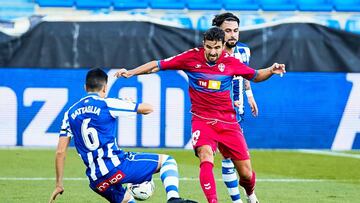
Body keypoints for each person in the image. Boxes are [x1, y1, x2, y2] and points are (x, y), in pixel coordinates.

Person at [114, 27, 286, 203]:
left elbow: (255, 76)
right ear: (204, 44)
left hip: (228, 122)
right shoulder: (191, 57)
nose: (213, 52)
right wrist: (131, 72)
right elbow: (157, 65)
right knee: (205, 156)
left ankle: (250, 194)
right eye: (209, 47)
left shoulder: (231, 62)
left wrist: (271, 70)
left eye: (217, 47)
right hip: (202, 120)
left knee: (246, 175)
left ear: (223, 45)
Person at [49, 68, 197, 203]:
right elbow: (148, 109)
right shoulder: (108, 104)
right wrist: (128, 103)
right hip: (117, 166)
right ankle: (173, 199)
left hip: (97, 180)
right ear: (105, 88)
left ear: (85, 87)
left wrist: (58, 185)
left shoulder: (69, 113)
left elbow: (60, 152)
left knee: (126, 200)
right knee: (167, 162)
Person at [212, 12, 258, 203]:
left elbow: (246, 76)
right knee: (227, 157)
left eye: (236, 31)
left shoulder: (244, 52)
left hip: (237, 112)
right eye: (228, 31)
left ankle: (249, 195)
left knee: (239, 162)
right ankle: (238, 200)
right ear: (218, 32)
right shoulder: (212, 53)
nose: (233, 35)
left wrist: (249, 96)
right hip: (217, 112)